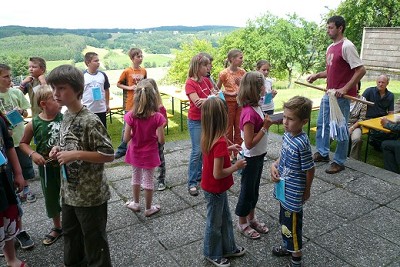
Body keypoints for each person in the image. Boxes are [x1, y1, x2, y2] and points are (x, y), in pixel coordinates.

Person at [47, 64, 114, 267]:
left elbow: (108, 154)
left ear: (77, 90)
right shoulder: (66, 115)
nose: (56, 94)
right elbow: (69, 141)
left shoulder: (90, 121)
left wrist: (75, 154)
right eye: (54, 88)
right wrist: (58, 149)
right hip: (69, 193)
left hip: (90, 196)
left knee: (94, 241)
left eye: (62, 88)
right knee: (71, 236)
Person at [306, 15, 366, 174]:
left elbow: (361, 70)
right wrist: (317, 75)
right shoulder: (330, 47)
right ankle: (323, 153)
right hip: (329, 93)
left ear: (340, 28)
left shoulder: (347, 46)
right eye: (327, 27)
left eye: (331, 27)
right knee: (322, 124)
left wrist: (345, 89)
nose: (328, 30)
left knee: (340, 128)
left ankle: (339, 161)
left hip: (342, 97)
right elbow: (332, 70)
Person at [200, 97, 247, 267]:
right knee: (214, 223)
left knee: (225, 218)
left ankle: (228, 247)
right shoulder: (219, 141)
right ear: (222, 118)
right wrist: (237, 166)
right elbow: (218, 173)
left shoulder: (208, 135)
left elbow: (214, 155)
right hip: (216, 189)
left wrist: (229, 149)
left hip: (213, 188)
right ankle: (212, 253)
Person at [270, 96, 315, 267]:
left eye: (290, 119)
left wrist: (307, 190)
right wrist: (274, 165)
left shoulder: (302, 143)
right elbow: (284, 156)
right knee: (284, 221)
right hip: (284, 189)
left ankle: (296, 259)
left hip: (294, 193)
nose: (285, 122)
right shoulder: (288, 135)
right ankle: (287, 246)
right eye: (284, 117)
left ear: (303, 121)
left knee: (293, 226)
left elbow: (310, 169)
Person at [19, 85, 63, 246]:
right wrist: (33, 154)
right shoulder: (34, 123)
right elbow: (23, 143)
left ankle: (73, 223)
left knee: (69, 195)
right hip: (46, 168)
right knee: (51, 197)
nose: (59, 101)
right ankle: (58, 227)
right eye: (55, 99)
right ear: (44, 104)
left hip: (66, 166)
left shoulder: (64, 118)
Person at [0, 64, 35, 251]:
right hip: (3, 151)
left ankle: (18, 230)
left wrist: (20, 113)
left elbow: (26, 111)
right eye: (5, 76)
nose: (9, 79)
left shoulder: (15, 93)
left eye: (10, 76)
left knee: (17, 189)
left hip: (17, 142)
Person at [235, 71, 272, 240]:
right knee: (247, 191)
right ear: (255, 89)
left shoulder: (257, 107)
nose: (266, 87)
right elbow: (249, 143)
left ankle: (252, 218)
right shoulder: (249, 112)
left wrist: (266, 123)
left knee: (254, 190)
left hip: (258, 156)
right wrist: (265, 127)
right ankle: (242, 222)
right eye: (263, 84)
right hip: (250, 157)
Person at [123, 79, 166, 217]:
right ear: (153, 97)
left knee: (135, 177)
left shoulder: (130, 116)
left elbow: (125, 139)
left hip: (135, 152)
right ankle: (148, 208)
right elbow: (161, 140)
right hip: (150, 154)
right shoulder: (158, 117)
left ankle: (135, 203)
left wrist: (134, 133)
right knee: (148, 179)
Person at [0, 114, 30, 267]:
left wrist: (18, 173)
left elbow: (9, 145)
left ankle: (11, 258)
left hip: (3, 181)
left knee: (7, 221)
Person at [185, 53, 214, 197]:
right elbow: (197, 103)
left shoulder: (207, 81)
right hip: (196, 120)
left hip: (207, 119)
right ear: (197, 67)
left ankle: (201, 176)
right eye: (205, 65)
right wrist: (212, 98)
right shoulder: (190, 83)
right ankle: (192, 182)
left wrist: (210, 98)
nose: (208, 67)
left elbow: (217, 95)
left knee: (205, 149)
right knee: (197, 151)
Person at [114, 48, 147, 159]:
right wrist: (129, 87)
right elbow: (118, 84)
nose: (140, 58)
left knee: (140, 125)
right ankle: (122, 149)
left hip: (141, 103)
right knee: (126, 126)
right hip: (129, 103)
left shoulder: (143, 71)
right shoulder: (127, 71)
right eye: (138, 56)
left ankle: (137, 147)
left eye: (141, 56)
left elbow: (146, 83)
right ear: (132, 58)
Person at [216, 49, 246, 160]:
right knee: (228, 129)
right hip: (228, 104)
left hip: (240, 103)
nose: (242, 60)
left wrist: (241, 88)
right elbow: (217, 90)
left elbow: (246, 86)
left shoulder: (242, 72)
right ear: (232, 59)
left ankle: (238, 152)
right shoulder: (224, 73)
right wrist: (229, 92)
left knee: (239, 127)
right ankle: (228, 153)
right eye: (240, 58)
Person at [362, 74, 398, 150]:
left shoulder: (390, 95)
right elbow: (360, 105)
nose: (380, 84)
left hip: (382, 119)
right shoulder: (369, 91)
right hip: (369, 120)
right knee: (380, 133)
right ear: (376, 82)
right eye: (379, 82)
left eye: (383, 82)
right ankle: (378, 143)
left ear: (387, 83)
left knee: (394, 131)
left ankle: (381, 144)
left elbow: (390, 112)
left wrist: (389, 121)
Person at [147, 78, 168, 191]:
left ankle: (161, 179)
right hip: (146, 139)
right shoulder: (144, 107)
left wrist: (157, 130)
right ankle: (146, 179)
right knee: (146, 159)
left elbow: (165, 122)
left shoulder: (159, 107)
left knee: (160, 159)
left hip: (157, 139)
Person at [82, 52, 110, 128]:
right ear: (88, 63)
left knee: (102, 130)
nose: (98, 63)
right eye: (95, 61)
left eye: (98, 61)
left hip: (101, 109)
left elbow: (106, 89)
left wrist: (107, 104)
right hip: (88, 110)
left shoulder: (102, 75)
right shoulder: (82, 76)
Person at [348, 82, 367, 160]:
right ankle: (325, 155)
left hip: (355, 125)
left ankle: (354, 161)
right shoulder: (342, 97)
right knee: (328, 135)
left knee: (357, 139)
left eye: (354, 84)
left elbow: (362, 118)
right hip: (340, 124)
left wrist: (352, 128)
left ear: (358, 86)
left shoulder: (362, 100)